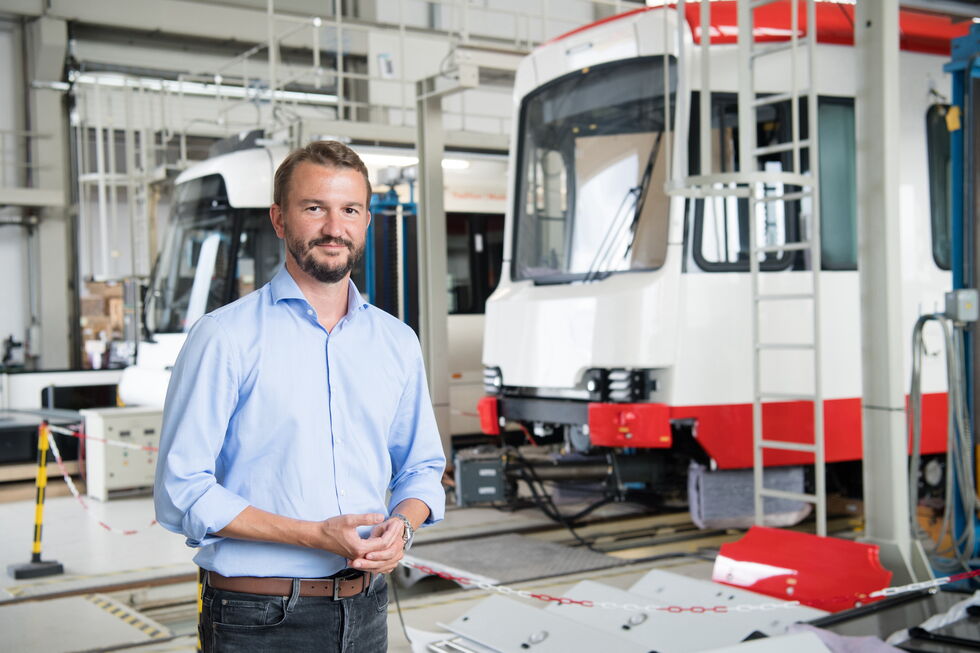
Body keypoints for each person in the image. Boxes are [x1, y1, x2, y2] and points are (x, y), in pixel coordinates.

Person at [154, 140, 447, 652]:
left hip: (367, 607)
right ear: (279, 219)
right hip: (258, 617)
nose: (334, 227)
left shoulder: (397, 341)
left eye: (350, 210)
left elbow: (422, 467)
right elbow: (182, 490)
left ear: (366, 221)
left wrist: (402, 524)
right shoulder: (224, 337)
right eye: (315, 208)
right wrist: (313, 535)